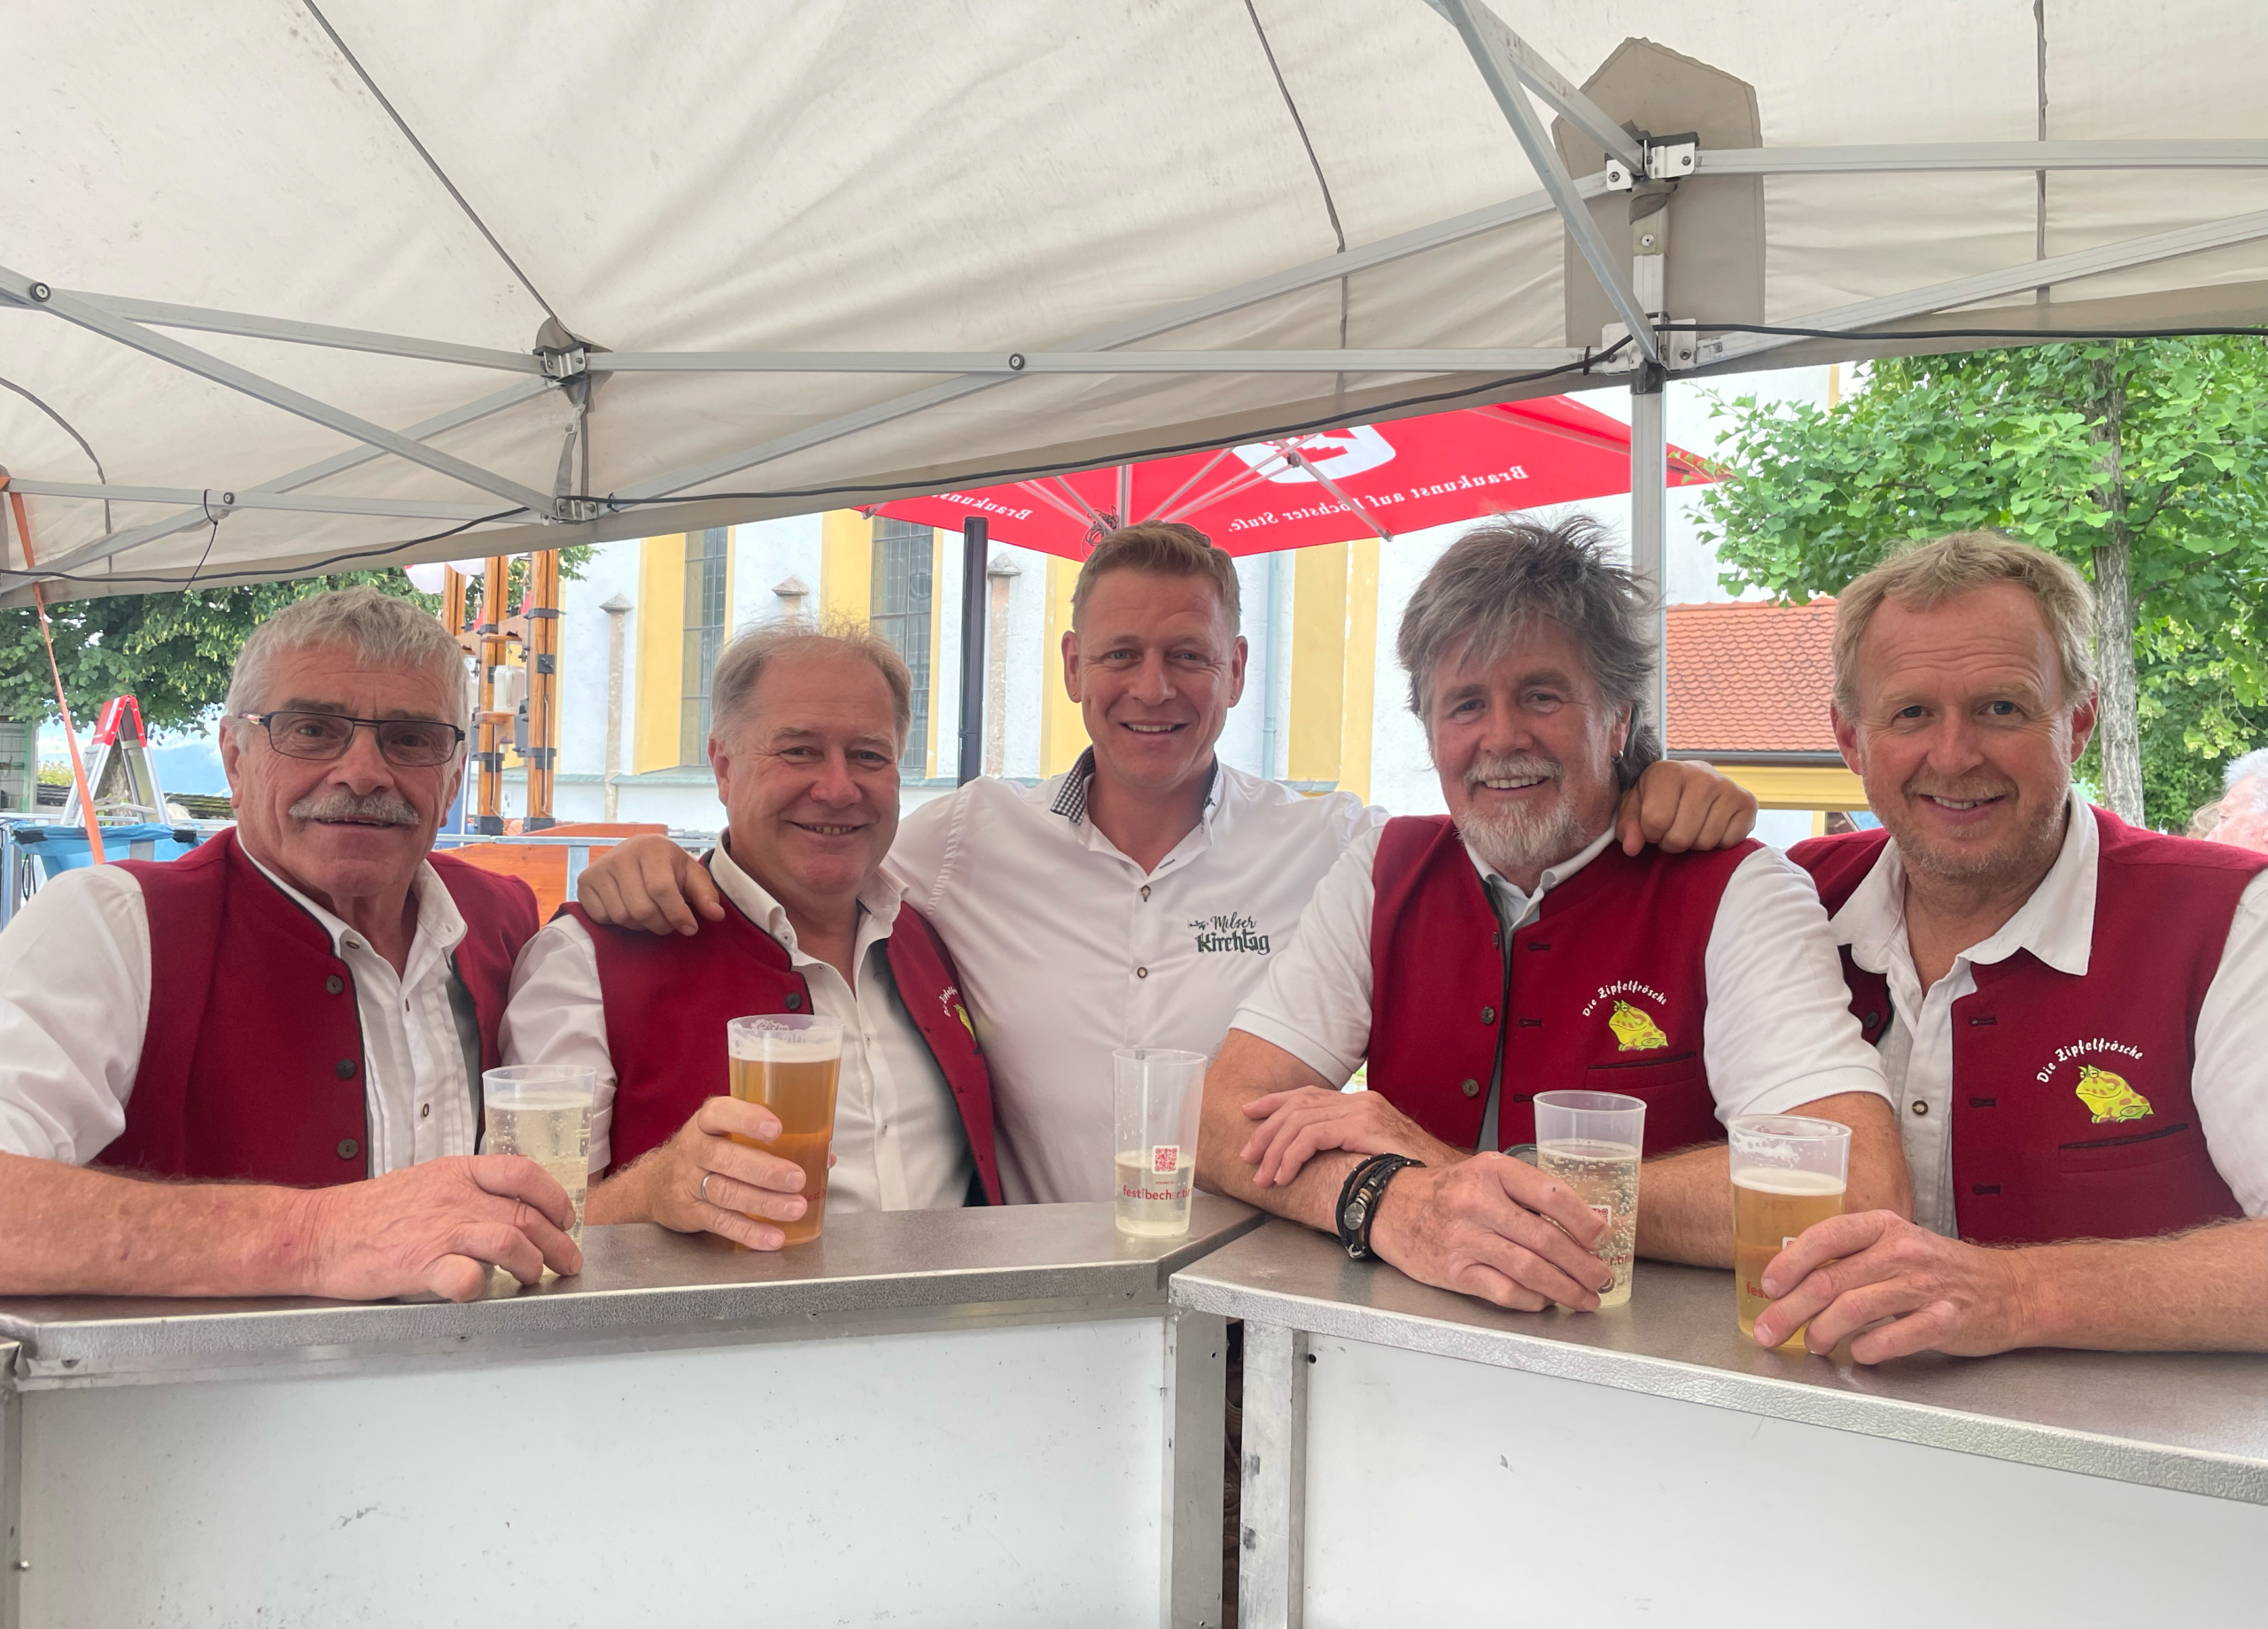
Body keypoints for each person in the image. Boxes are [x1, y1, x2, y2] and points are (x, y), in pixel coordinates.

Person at [574, 520, 1759, 1206]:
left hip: (1245, 1288)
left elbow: (1501, 814)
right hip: (1034, 1306)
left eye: (1188, 656)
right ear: (1071, 666)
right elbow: (819, 846)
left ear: (1237, 669)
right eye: (1122, 655)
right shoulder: (964, 839)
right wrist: (661, 862)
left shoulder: (1333, 844)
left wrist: (1645, 777)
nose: (1153, 688)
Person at [1197, 519, 1906, 1313]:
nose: (1501, 738)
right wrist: (1388, 1198)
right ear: (1428, 730)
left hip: (1642, 1365)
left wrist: (1460, 1172)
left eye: (1541, 696)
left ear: (1619, 718)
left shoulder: (1736, 889)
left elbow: (1854, 1188)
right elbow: (1218, 1122)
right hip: (1391, 1357)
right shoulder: (1381, 871)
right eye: (1466, 704)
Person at [1760, 532, 2268, 1360]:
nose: (1955, 756)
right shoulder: (1788, 900)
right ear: (1850, 738)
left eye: (2001, 708)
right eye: (1912, 713)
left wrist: (2019, 1294)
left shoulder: (2234, 921)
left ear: (2078, 723)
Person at [0, 588, 579, 1300]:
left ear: (453, 773)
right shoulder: (113, 924)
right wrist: (315, 1238)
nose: (363, 772)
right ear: (235, 759)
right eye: (312, 730)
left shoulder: (503, 918)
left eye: (410, 739)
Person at [502, 624, 1001, 1250]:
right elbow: (524, 1238)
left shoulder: (933, 933)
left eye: (869, 755)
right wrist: (652, 1192)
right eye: (798, 751)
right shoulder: (583, 964)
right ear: (723, 767)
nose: (838, 788)